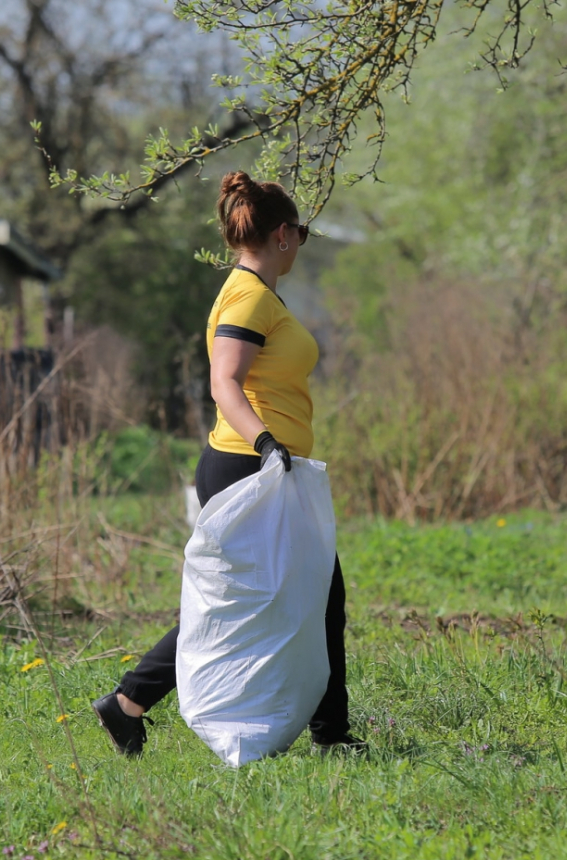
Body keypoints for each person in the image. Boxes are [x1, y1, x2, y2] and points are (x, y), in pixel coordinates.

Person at [92, 171, 364, 756]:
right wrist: (268, 444)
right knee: (261, 599)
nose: (302, 245)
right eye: (303, 234)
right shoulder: (247, 295)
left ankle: (128, 704)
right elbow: (225, 382)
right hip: (250, 466)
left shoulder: (259, 294)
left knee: (306, 596)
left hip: (264, 465)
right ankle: (328, 735)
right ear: (284, 234)